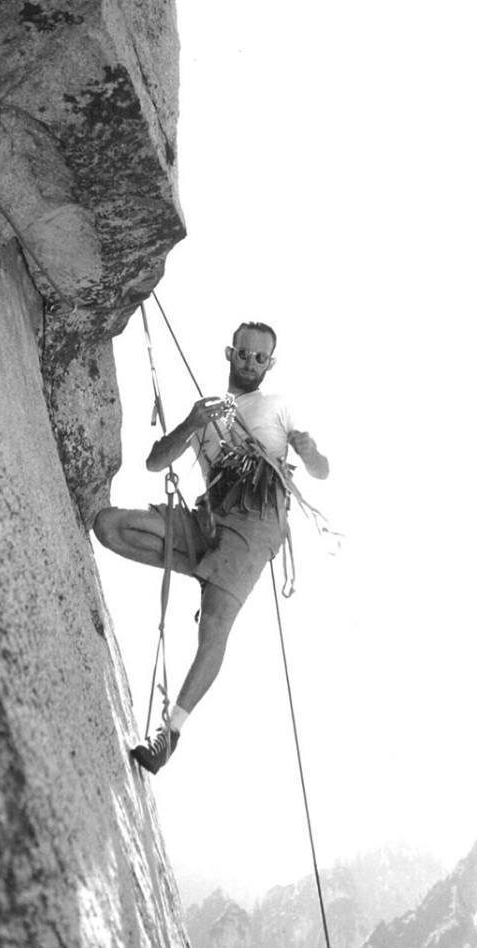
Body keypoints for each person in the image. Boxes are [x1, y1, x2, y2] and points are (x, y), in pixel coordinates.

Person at [93, 322, 329, 773]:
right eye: (244, 353)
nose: (250, 363)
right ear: (229, 352)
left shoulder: (279, 408)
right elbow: (154, 462)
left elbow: (320, 471)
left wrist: (309, 449)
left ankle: (171, 732)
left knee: (215, 626)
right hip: (207, 520)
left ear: (270, 364)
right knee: (110, 526)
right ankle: (202, 565)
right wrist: (192, 423)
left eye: (260, 358)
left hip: (252, 527)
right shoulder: (207, 412)